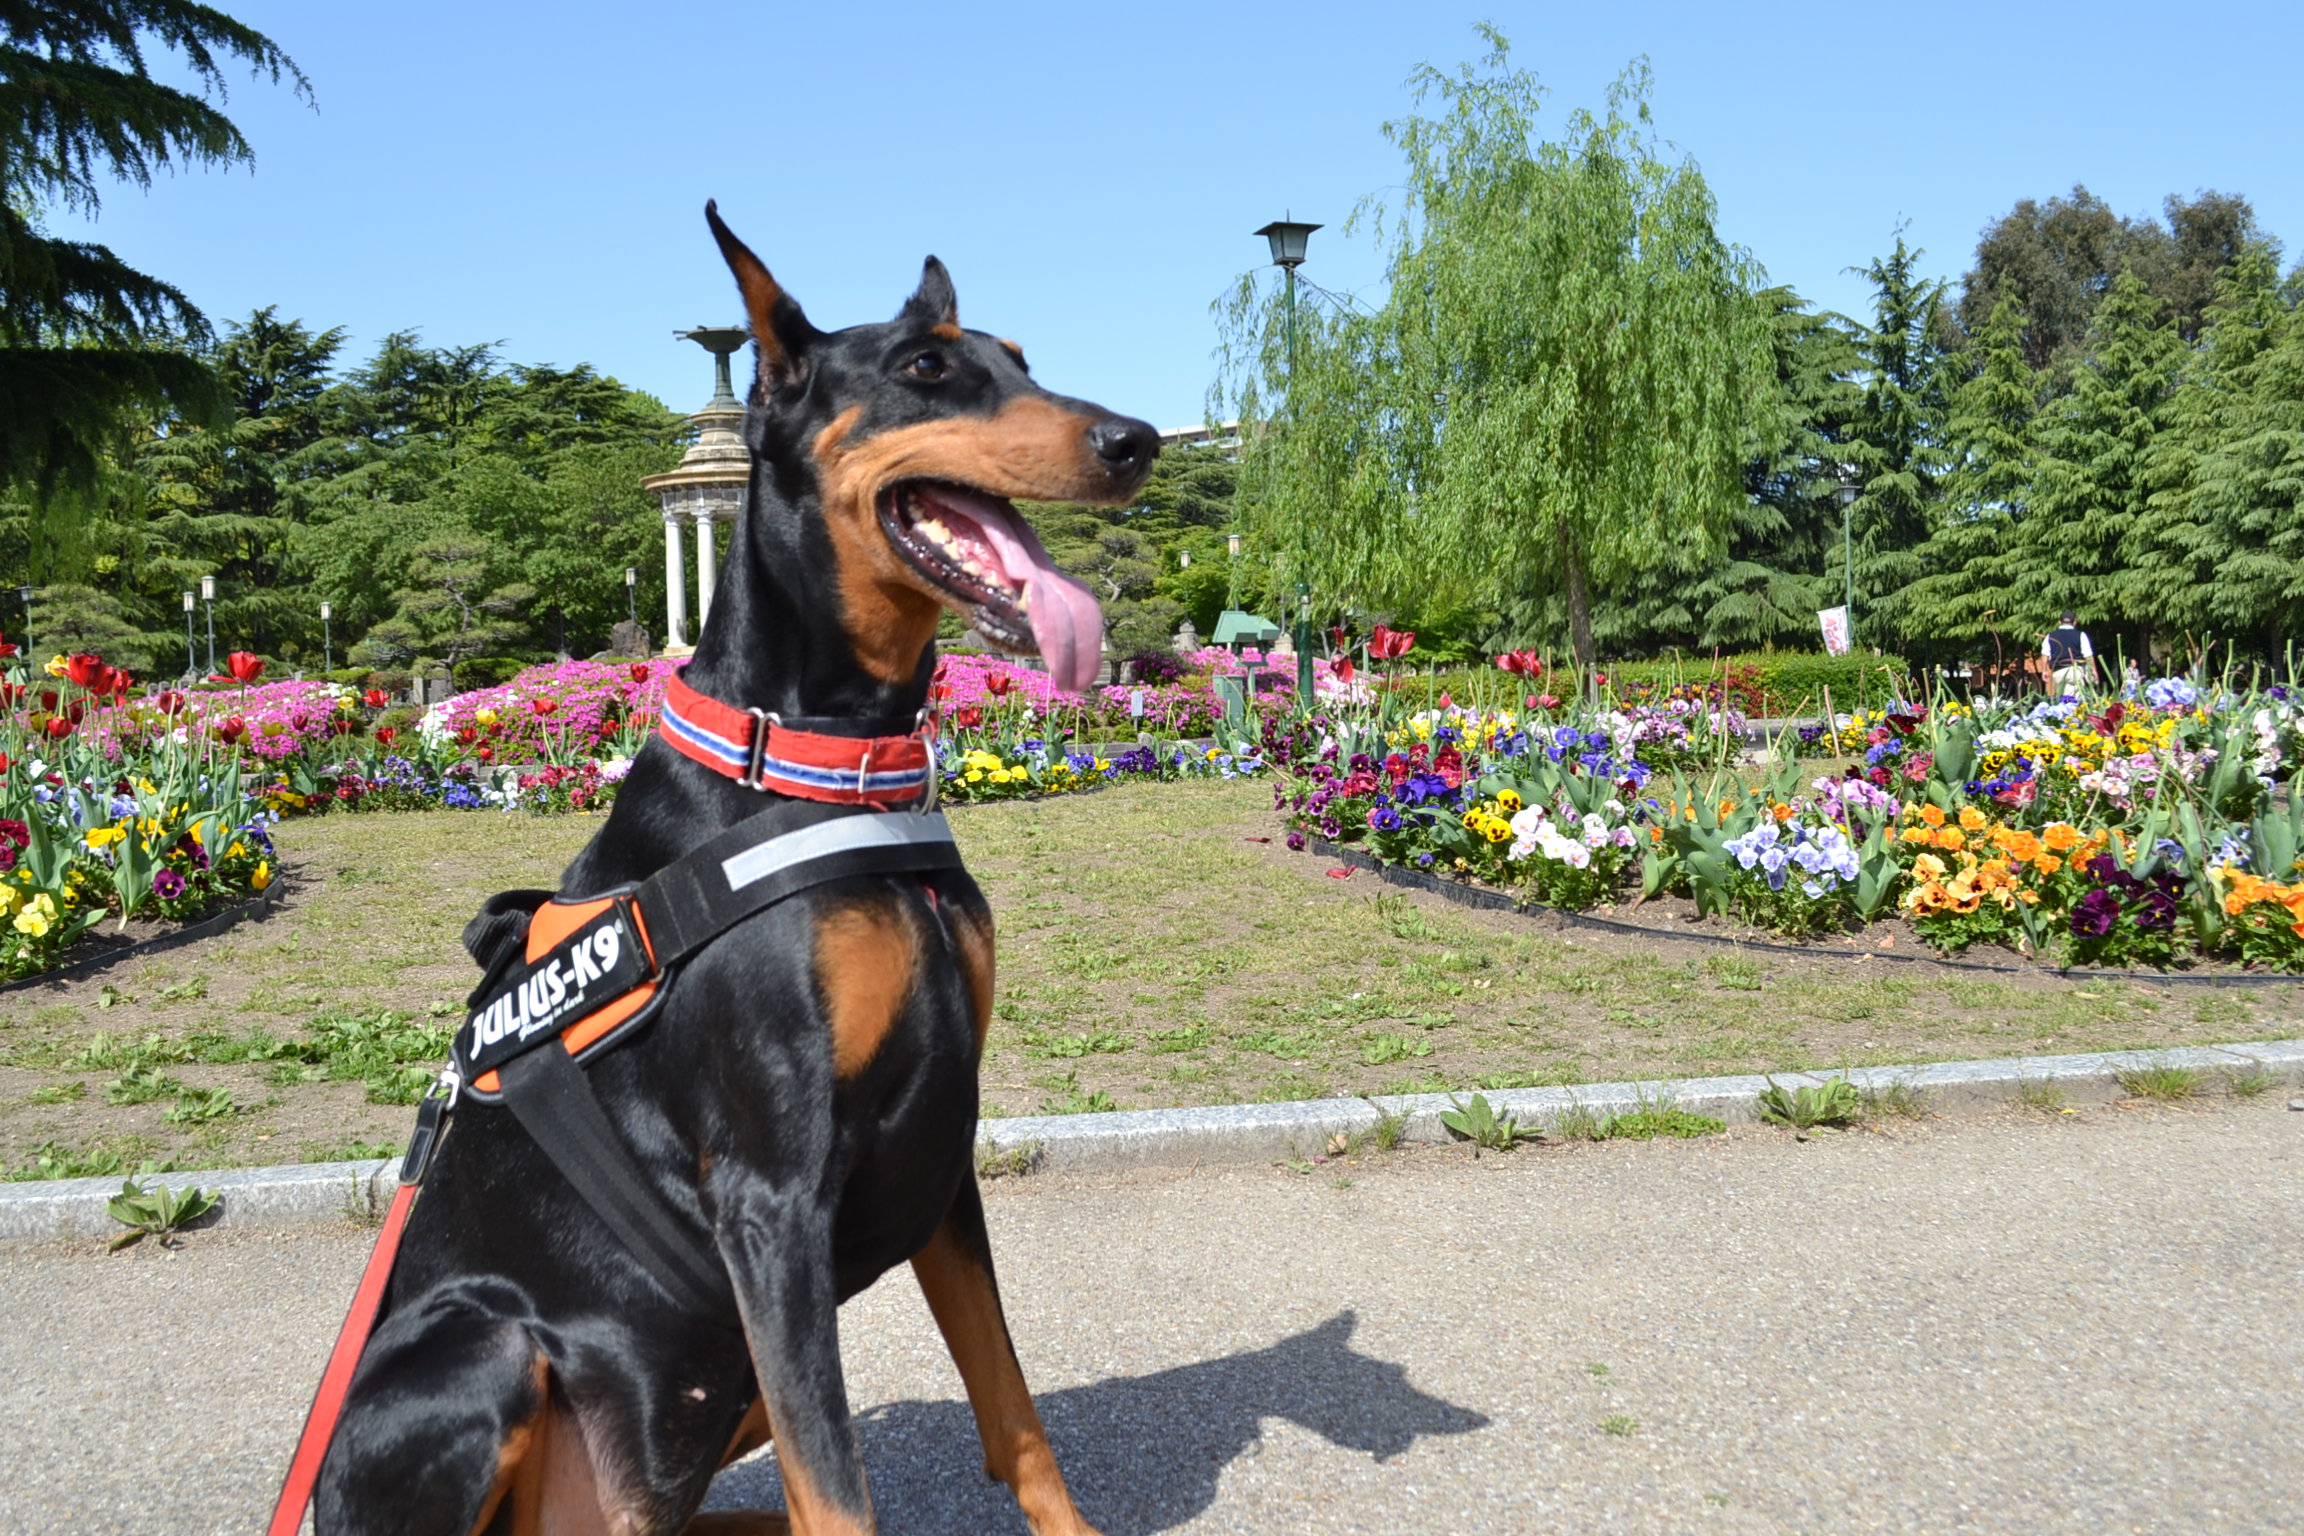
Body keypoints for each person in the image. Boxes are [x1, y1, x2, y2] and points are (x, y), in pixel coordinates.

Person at [2041, 612, 2096, 698]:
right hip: (2075, 671)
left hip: (2058, 672)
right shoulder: (2081, 635)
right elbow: (2088, 655)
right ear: (2074, 622)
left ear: (2059, 622)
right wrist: (2093, 670)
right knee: (2075, 700)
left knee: (2062, 699)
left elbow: (2045, 654)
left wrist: (2044, 670)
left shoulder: (2050, 636)